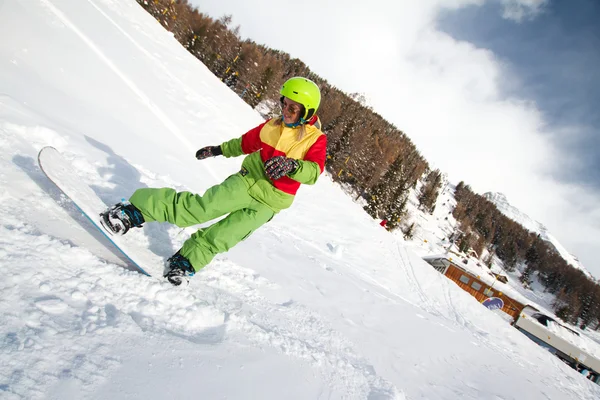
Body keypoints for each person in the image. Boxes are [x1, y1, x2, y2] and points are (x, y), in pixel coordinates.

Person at [100, 77, 327, 285]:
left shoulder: (315, 139)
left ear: (307, 112)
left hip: (270, 203)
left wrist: (293, 166)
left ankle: (185, 262)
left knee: (225, 236)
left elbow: (314, 171)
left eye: (293, 108)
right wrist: (218, 150)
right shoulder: (272, 126)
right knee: (202, 209)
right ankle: (133, 211)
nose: (286, 111)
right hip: (247, 182)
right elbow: (245, 143)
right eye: (284, 104)